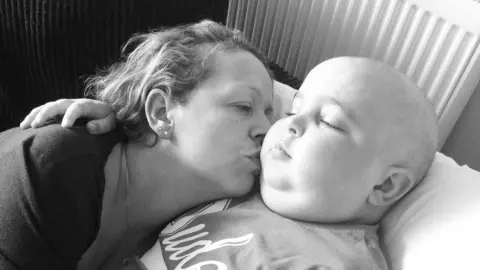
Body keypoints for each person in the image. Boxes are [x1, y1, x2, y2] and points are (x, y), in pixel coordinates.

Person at [23, 57, 439, 269]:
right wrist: (118, 117)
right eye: (294, 109)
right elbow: (173, 151)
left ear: (384, 187)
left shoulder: (328, 261)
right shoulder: (239, 184)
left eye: (328, 121)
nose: (288, 126)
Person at [0, 20, 275, 270]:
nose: (266, 130)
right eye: (243, 106)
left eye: (269, 114)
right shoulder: (52, 169)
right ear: (161, 112)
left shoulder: (200, 223)